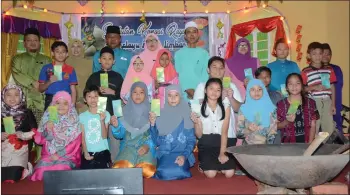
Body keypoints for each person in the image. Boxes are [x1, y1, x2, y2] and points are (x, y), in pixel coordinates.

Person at [31, 91, 82, 181]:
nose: (61, 106)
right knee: (41, 172)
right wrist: (48, 129)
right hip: (49, 154)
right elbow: (40, 141)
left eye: (65, 103)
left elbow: (75, 144)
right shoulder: (48, 119)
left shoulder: (74, 122)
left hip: (67, 155)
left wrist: (59, 154)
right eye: (58, 103)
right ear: (53, 105)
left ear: (70, 106)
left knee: (61, 170)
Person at [191, 78, 235, 178]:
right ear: (205, 90)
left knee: (229, 173)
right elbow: (199, 135)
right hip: (206, 144)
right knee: (211, 174)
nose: (214, 92)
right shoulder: (198, 106)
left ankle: (217, 164)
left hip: (222, 143)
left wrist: (222, 153)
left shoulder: (226, 106)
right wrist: (197, 122)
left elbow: (224, 132)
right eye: (211, 89)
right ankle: (203, 164)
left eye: (218, 90)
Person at [110, 82, 156, 178]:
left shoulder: (153, 111)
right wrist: (116, 126)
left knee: (147, 170)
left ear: (146, 94)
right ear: (130, 94)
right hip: (128, 146)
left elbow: (156, 135)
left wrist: (148, 146)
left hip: (145, 146)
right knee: (120, 168)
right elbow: (120, 135)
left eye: (141, 92)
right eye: (135, 92)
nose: (138, 95)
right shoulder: (122, 111)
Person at [85, 47, 123, 162]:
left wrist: (113, 92)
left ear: (114, 61)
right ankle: (100, 162)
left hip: (114, 110)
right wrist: (97, 92)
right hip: (99, 112)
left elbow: (124, 95)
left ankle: (115, 162)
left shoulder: (118, 76)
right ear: (99, 60)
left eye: (110, 58)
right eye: (104, 58)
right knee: (99, 138)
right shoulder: (93, 77)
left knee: (114, 138)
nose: (107, 61)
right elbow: (86, 93)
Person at [150, 85, 196, 180]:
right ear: (166, 97)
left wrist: (184, 156)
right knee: (164, 171)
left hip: (182, 152)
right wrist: (153, 124)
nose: (173, 98)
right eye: (170, 95)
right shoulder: (160, 114)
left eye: (176, 95)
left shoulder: (188, 113)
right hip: (165, 153)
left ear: (181, 97)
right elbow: (156, 141)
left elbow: (191, 140)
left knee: (179, 170)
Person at [11, 27, 52, 122]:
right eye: (29, 40)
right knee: (22, 132)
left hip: (41, 101)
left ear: (39, 43)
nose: (33, 43)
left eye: (35, 40)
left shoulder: (47, 60)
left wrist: (43, 85)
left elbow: (50, 78)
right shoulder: (17, 59)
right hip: (23, 101)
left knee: (42, 131)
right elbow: (17, 74)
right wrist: (32, 82)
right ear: (24, 43)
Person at [1, 84, 36, 183]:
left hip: (20, 149)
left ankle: (26, 168)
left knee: (13, 175)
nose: (12, 98)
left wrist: (22, 135)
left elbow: (35, 132)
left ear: (21, 96)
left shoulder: (27, 112)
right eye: (9, 95)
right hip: (3, 149)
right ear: (3, 96)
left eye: (16, 95)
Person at [301, 42, 336, 135]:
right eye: (314, 54)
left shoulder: (329, 69)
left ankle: (327, 147)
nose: (317, 56)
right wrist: (314, 87)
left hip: (327, 101)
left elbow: (332, 87)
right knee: (314, 126)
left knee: (329, 127)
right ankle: (314, 147)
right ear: (309, 55)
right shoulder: (305, 71)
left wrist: (333, 104)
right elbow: (302, 89)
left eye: (320, 53)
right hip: (314, 102)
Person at [277, 73, 319, 143]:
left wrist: (310, 143)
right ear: (286, 87)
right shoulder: (281, 104)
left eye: (297, 83)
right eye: (291, 84)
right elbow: (276, 126)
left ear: (302, 86)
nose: (294, 86)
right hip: (288, 145)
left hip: (306, 143)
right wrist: (287, 121)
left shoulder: (311, 103)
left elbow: (313, 124)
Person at [174, 21, 210, 101]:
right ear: (185, 36)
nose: (192, 35)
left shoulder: (204, 54)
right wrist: (186, 89)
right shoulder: (179, 54)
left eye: (194, 32)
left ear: (198, 35)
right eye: (189, 32)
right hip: (182, 94)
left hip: (200, 94)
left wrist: (197, 91)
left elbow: (206, 75)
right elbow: (177, 75)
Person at [38, 41, 78, 110]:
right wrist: (49, 81)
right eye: (57, 51)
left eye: (63, 52)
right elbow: (40, 89)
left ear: (67, 54)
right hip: (51, 99)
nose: (60, 54)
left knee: (65, 120)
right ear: (52, 53)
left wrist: (73, 105)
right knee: (52, 120)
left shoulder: (70, 69)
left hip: (66, 100)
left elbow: (73, 90)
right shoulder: (46, 68)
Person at [236, 79, 277, 145]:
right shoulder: (243, 109)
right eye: (252, 89)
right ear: (248, 91)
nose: (256, 92)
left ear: (264, 90)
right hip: (247, 149)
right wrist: (248, 130)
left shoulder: (271, 109)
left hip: (265, 149)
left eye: (259, 89)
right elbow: (239, 134)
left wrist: (268, 148)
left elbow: (272, 133)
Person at [80, 85, 111, 169]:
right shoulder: (82, 116)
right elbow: (82, 138)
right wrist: (85, 152)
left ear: (100, 98)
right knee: (86, 176)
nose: (93, 99)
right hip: (88, 151)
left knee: (103, 175)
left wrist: (102, 121)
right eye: (89, 96)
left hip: (103, 151)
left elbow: (105, 136)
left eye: (96, 96)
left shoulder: (106, 114)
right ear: (85, 100)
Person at [322, 43, 343, 133]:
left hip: (336, 103)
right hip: (323, 104)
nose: (326, 56)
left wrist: (334, 104)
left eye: (328, 54)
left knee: (337, 129)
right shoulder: (317, 69)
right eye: (323, 53)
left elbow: (338, 86)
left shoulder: (336, 69)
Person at [66, 39, 92, 113]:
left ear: (82, 48)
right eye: (73, 47)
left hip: (85, 101)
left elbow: (91, 83)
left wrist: (83, 99)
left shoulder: (89, 63)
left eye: (78, 46)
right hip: (67, 101)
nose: (76, 49)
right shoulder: (64, 62)